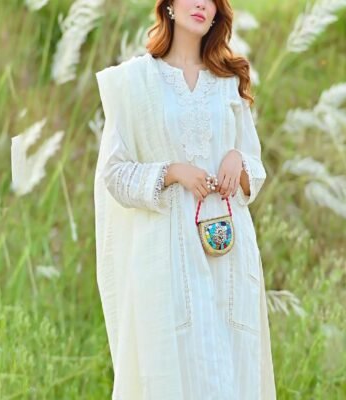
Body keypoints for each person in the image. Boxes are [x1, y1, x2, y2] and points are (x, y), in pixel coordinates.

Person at [94, 0, 276, 399]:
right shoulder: (136, 83)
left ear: (217, 13)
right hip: (167, 255)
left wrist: (238, 160)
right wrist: (173, 172)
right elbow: (114, 174)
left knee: (231, 373)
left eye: (210, 0)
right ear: (170, 7)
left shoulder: (228, 82)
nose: (200, 4)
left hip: (228, 254)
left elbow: (256, 168)